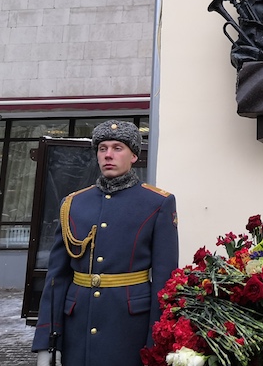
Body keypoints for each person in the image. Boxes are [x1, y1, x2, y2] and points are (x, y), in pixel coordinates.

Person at [32, 120, 179, 366]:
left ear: (134, 155)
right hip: (77, 327)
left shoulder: (157, 203)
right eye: (102, 148)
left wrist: (157, 343)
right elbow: (57, 278)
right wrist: (47, 341)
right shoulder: (74, 204)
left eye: (117, 148)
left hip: (129, 328)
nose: (108, 155)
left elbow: (165, 281)